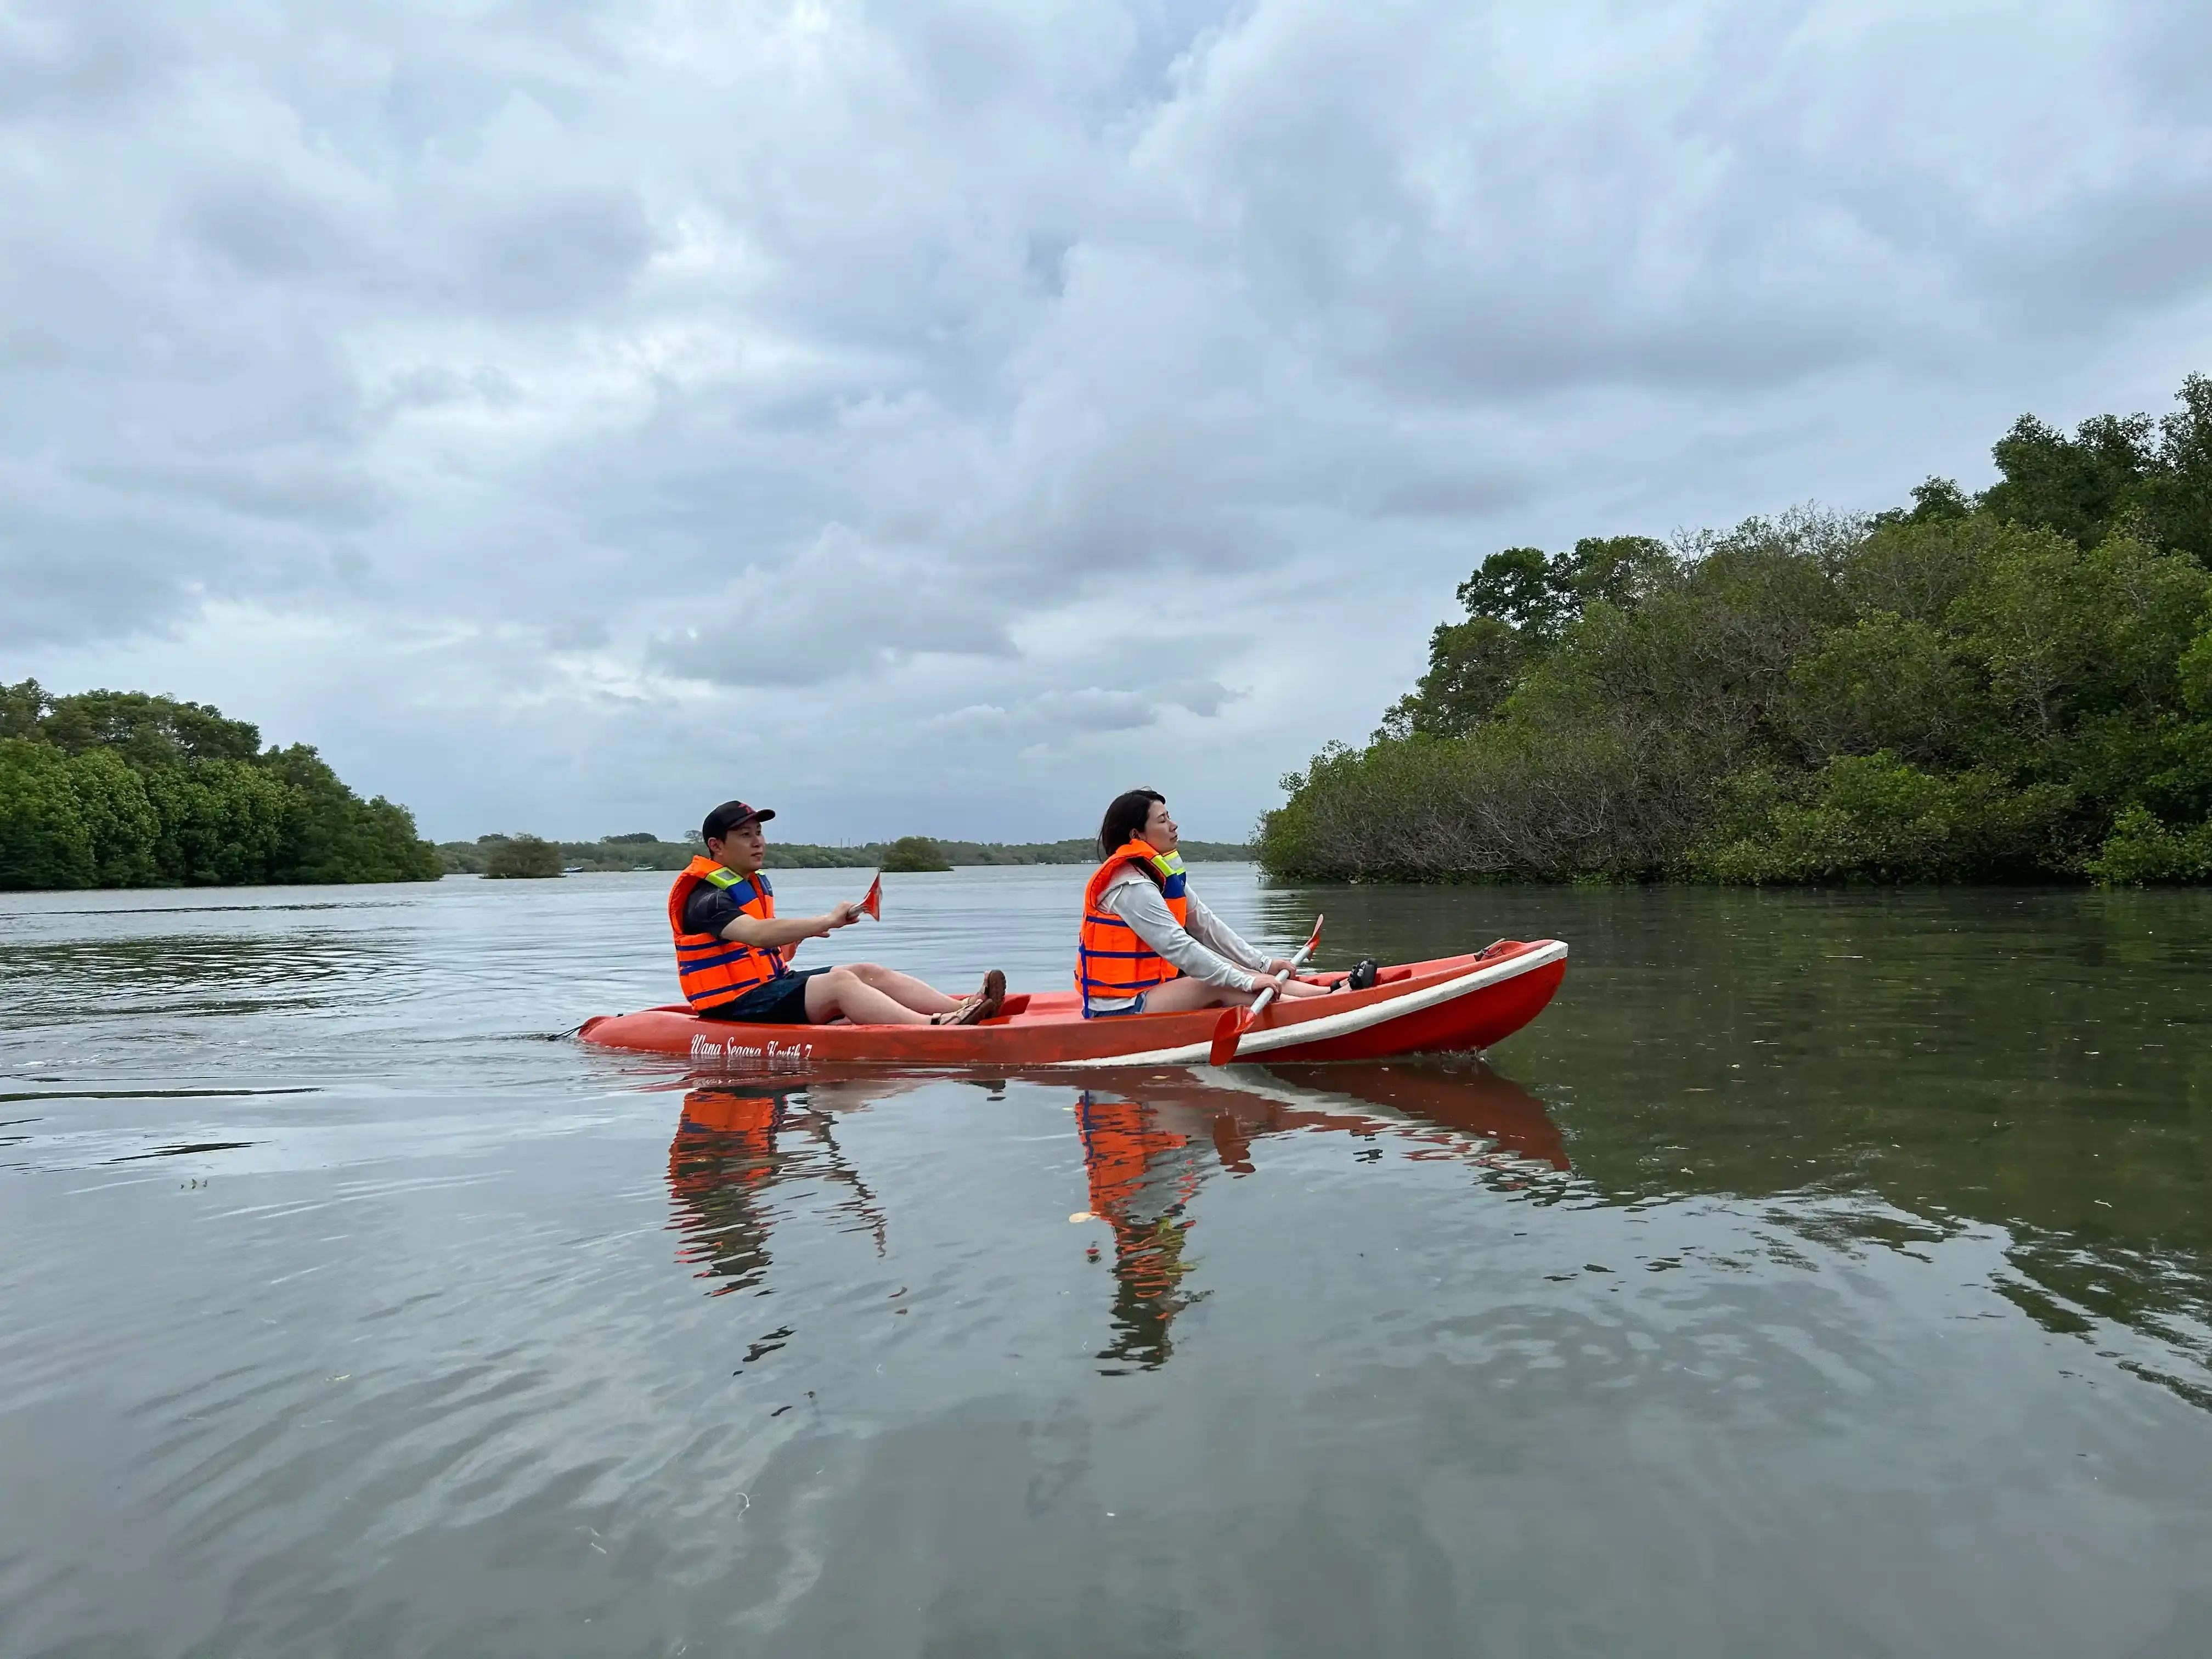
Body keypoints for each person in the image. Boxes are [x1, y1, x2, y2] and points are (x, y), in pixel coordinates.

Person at [671, 800, 1004, 1026]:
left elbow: (764, 949)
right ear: (716, 845)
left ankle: (962, 1009)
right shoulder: (706, 899)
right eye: (746, 836)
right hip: (733, 1006)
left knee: (866, 970)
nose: (758, 842)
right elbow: (757, 933)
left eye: (759, 833)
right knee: (840, 983)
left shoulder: (747, 886)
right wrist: (827, 921)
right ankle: (932, 1026)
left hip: (765, 989)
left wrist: (800, 935)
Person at [1076, 788, 1334, 1018]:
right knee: (1218, 981)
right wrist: (1244, 982)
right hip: (1119, 1006)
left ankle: (1333, 994)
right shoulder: (1129, 885)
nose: (1174, 826)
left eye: (1170, 817)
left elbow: (1206, 925)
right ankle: (1321, 1010)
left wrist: (1263, 964)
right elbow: (1178, 946)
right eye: (1163, 821)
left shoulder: (1159, 874)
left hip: (1156, 988)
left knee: (1234, 969)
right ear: (1137, 835)